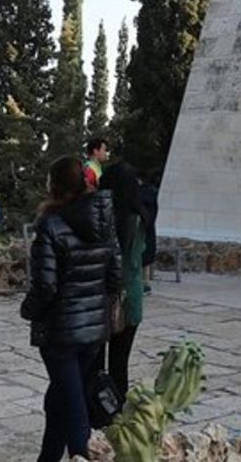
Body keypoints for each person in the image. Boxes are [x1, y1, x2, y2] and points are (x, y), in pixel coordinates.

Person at [21, 156, 120, 462]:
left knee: (73, 403)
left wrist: (29, 310)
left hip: (62, 331)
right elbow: (115, 275)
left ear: (56, 184)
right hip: (92, 328)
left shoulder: (51, 225)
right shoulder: (104, 222)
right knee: (60, 399)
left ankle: (79, 454)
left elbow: (45, 286)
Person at [98, 159, 149, 399]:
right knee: (120, 362)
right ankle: (117, 411)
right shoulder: (141, 217)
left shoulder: (100, 218)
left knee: (95, 362)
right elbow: (146, 254)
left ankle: (97, 410)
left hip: (103, 296)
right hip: (131, 297)